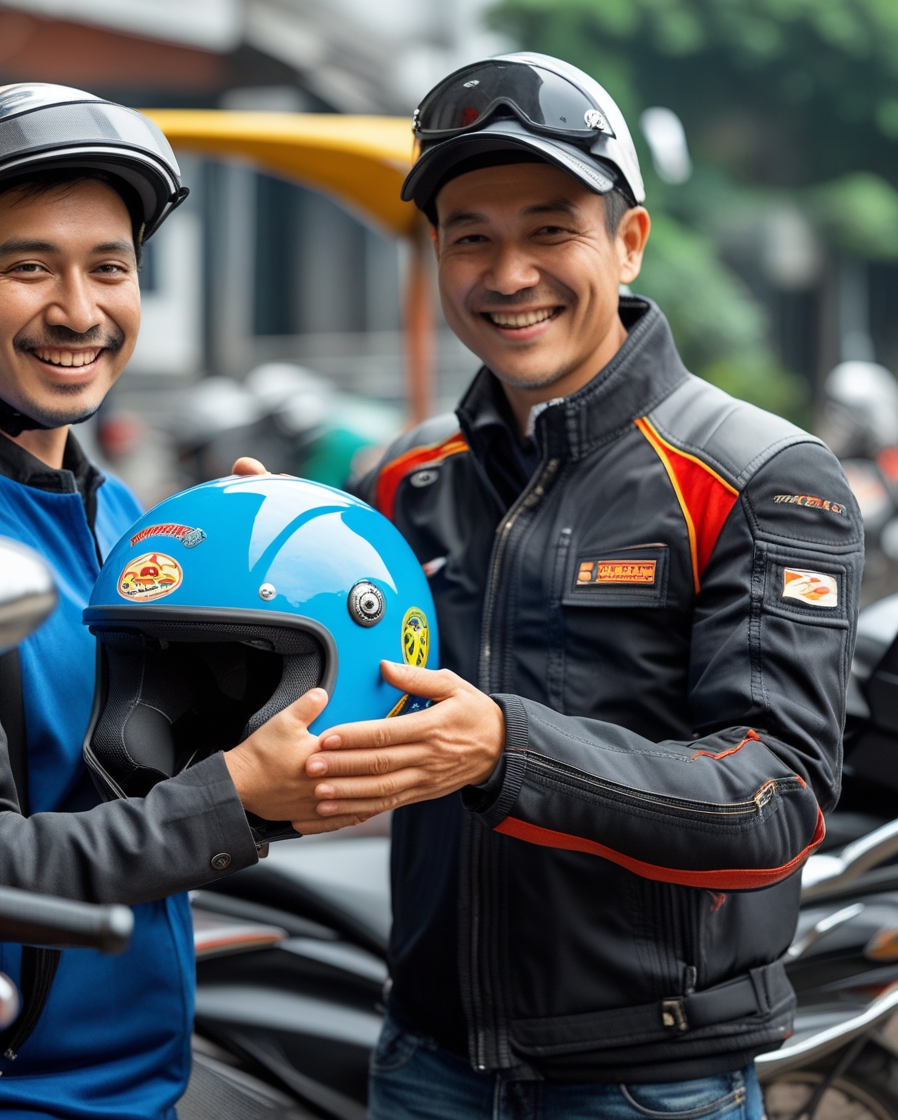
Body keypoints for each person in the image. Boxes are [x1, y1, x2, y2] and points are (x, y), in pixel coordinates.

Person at [299, 54, 864, 1118]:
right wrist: (257, 557)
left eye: (550, 229)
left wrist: (506, 750)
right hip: (424, 1060)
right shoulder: (397, 479)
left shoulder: (759, 478)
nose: (508, 273)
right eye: (471, 235)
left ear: (627, 240)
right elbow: (329, 714)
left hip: (648, 1079)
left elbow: (773, 798)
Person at [0, 84, 358, 1119]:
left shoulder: (123, 516)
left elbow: (124, 778)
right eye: (27, 266)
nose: (80, 310)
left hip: (133, 1078)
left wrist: (248, 629)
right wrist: (231, 799)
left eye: (110, 267)